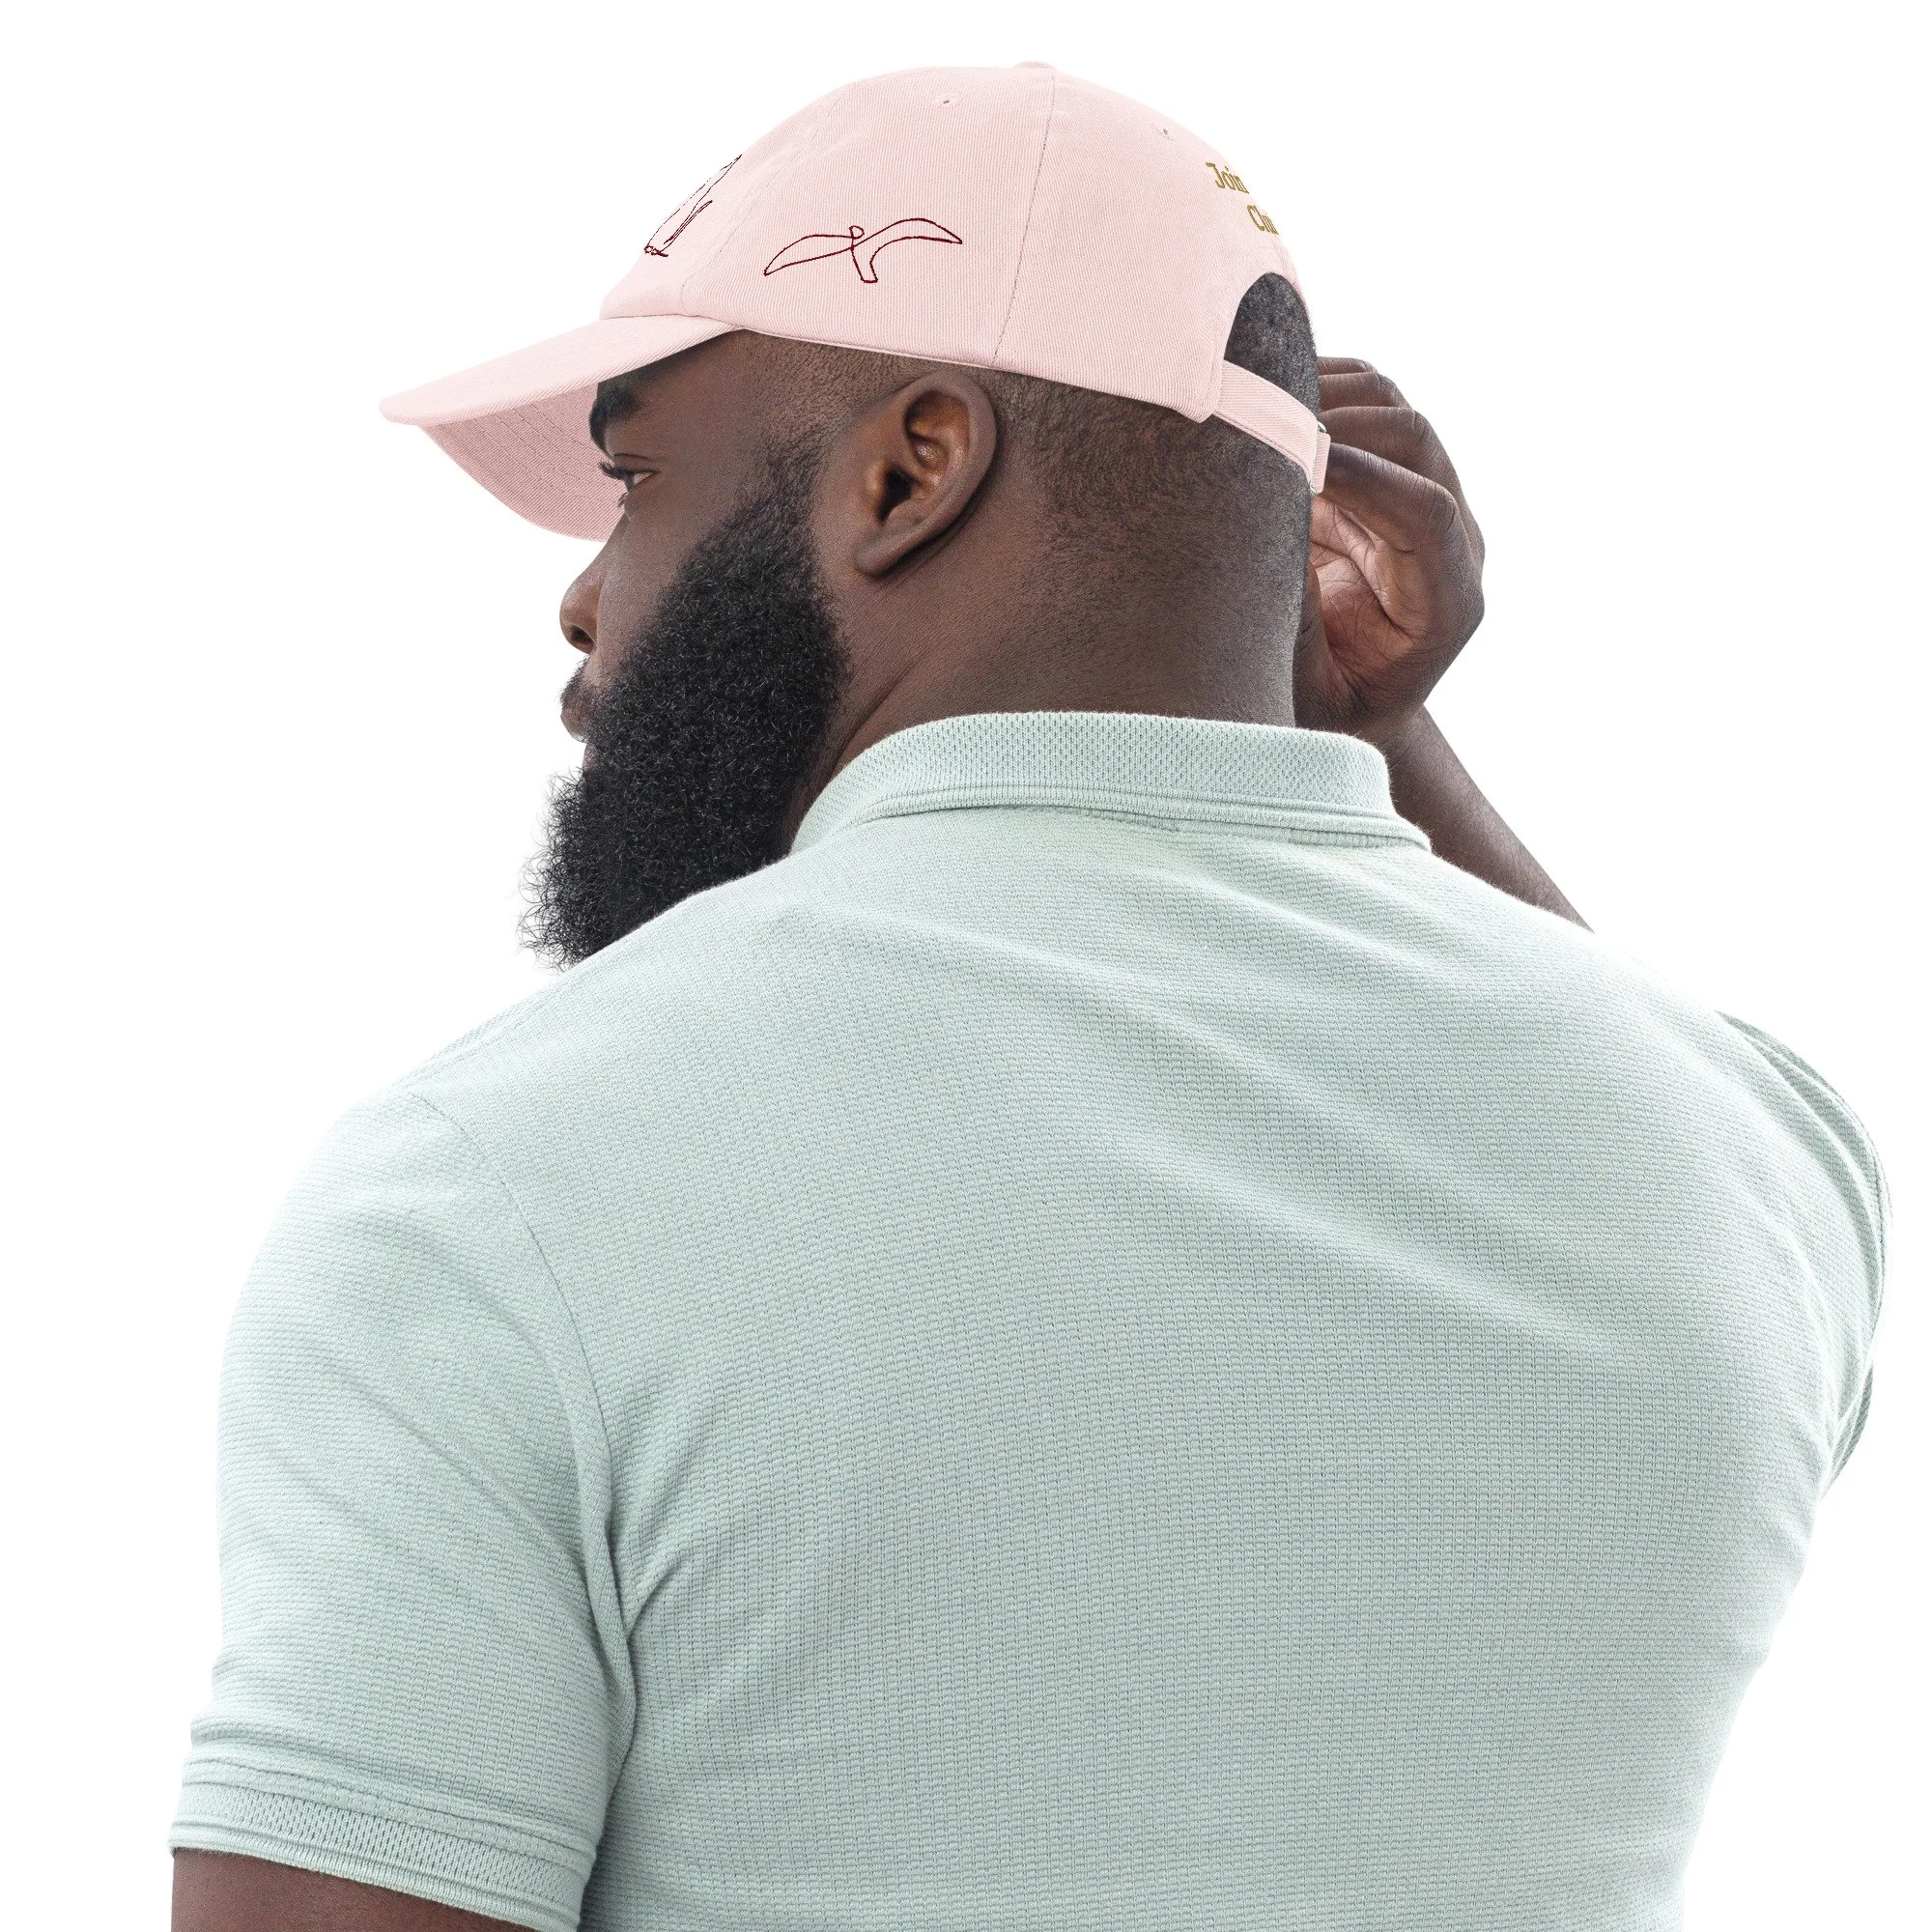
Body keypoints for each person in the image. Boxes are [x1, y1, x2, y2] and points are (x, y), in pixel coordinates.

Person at [169, 64, 1888, 1932]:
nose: (584, 601)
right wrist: (1365, 736)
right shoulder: (1756, 1169)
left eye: (636, 478)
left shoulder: (488, 1194)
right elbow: (1634, 1113)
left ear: (912, 470)